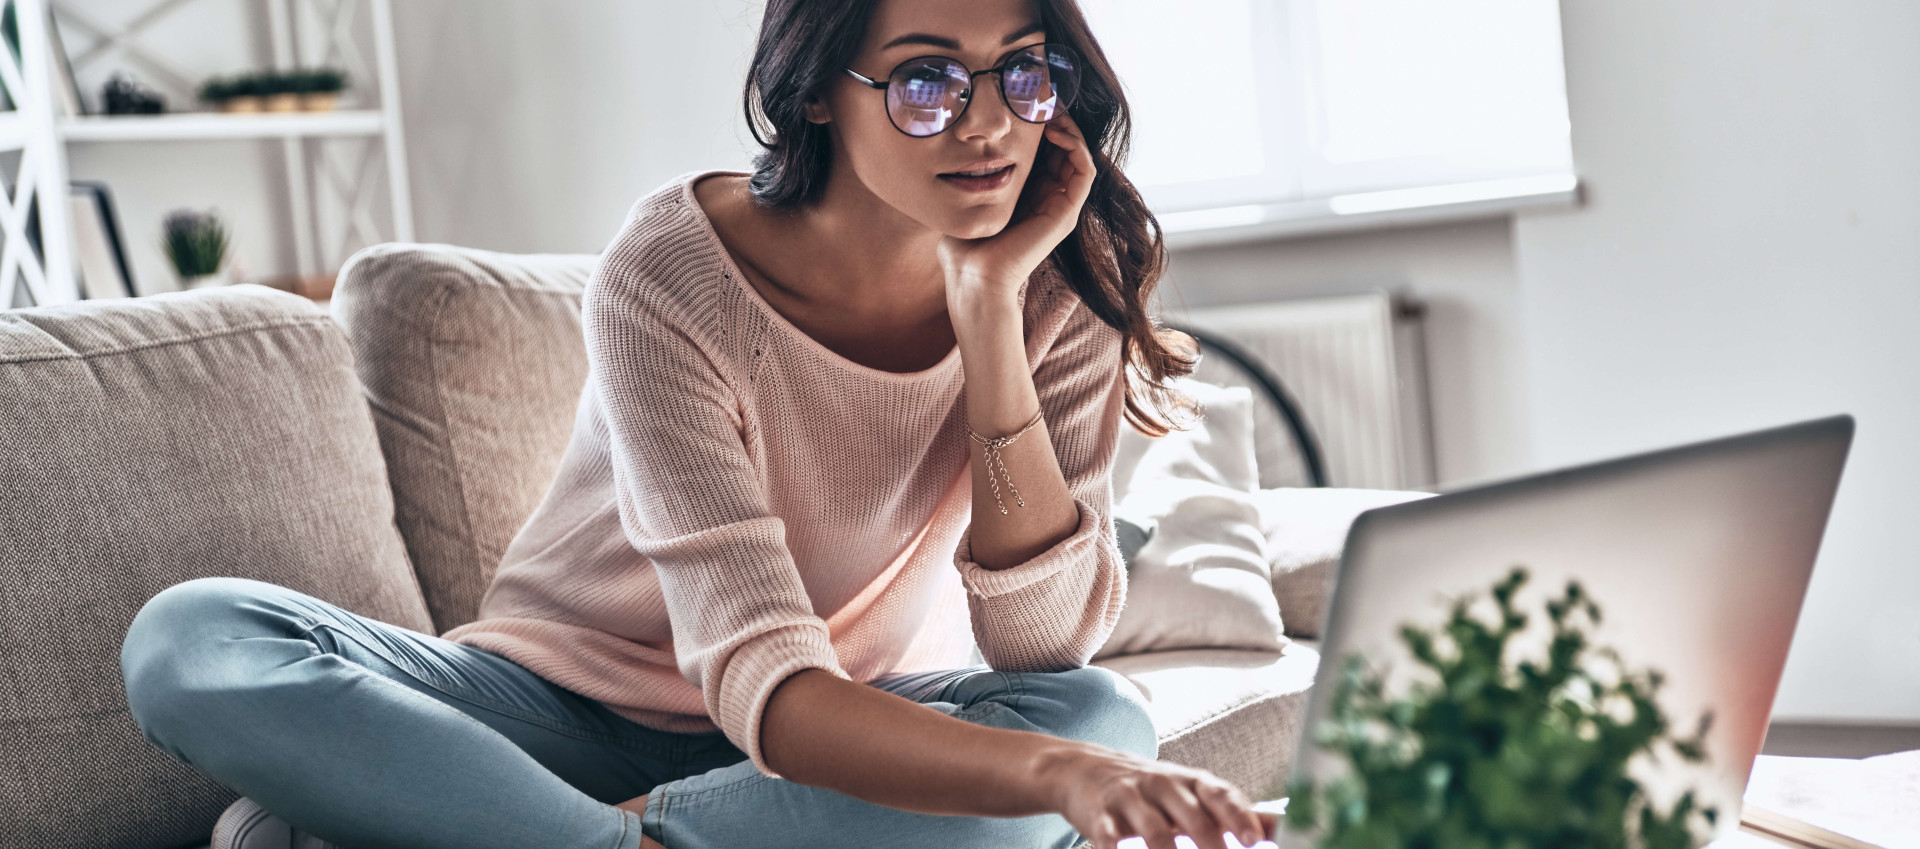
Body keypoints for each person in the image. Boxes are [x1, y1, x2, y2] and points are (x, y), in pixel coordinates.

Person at [117, 1, 1278, 847]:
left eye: (1022, 74)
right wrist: (1045, 785)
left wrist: (987, 314)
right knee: (192, 641)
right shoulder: (673, 274)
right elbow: (762, 680)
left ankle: (485, 830)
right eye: (928, 82)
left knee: (1102, 718)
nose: (988, 127)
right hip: (555, 709)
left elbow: (1043, 644)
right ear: (818, 90)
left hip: (843, 723)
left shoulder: (1061, 278)